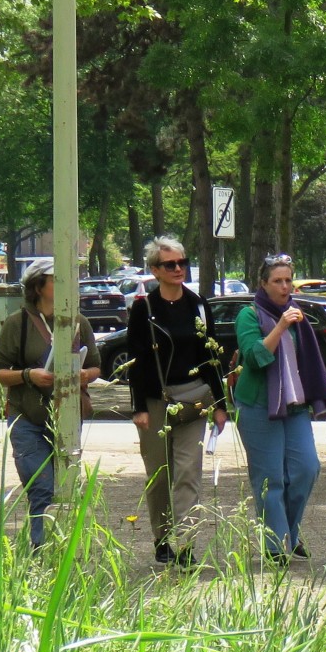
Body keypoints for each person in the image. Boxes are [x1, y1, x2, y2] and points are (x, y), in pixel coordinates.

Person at [128, 236, 228, 567]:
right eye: (170, 264)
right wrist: (139, 407)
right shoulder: (144, 309)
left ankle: (185, 544)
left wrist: (220, 404)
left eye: (182, 262)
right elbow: (137, 360)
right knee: (159, 474)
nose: (178, 269)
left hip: (196, 399)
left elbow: (211, 355)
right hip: (158, 400)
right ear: (155, 270)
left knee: (188, 472)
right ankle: (162, 537)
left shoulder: (199, 305)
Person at [0, 258, 101, 549]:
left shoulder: (78, 321)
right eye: (57, 278)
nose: (67, 283)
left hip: (67, 417)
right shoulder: (19, 323)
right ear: (38, 286)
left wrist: (82, 375)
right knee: (41, 487)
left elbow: (96, 368)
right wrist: (29, 375)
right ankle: (42, 553)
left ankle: (64, 551)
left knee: (66, 488)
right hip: (26, 418)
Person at [235, 254, 326, 565]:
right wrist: (279, 326)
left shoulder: (298, 316)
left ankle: (289, 534)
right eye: (277, 281)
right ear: (263, 284)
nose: (284, 286)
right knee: (271, 479)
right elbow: (255, 358)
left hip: (294, 405)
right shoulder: (249, 315)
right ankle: (276, 545)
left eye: (288, 280)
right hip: (258, 405)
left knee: (307, 468)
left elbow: (309, 363)